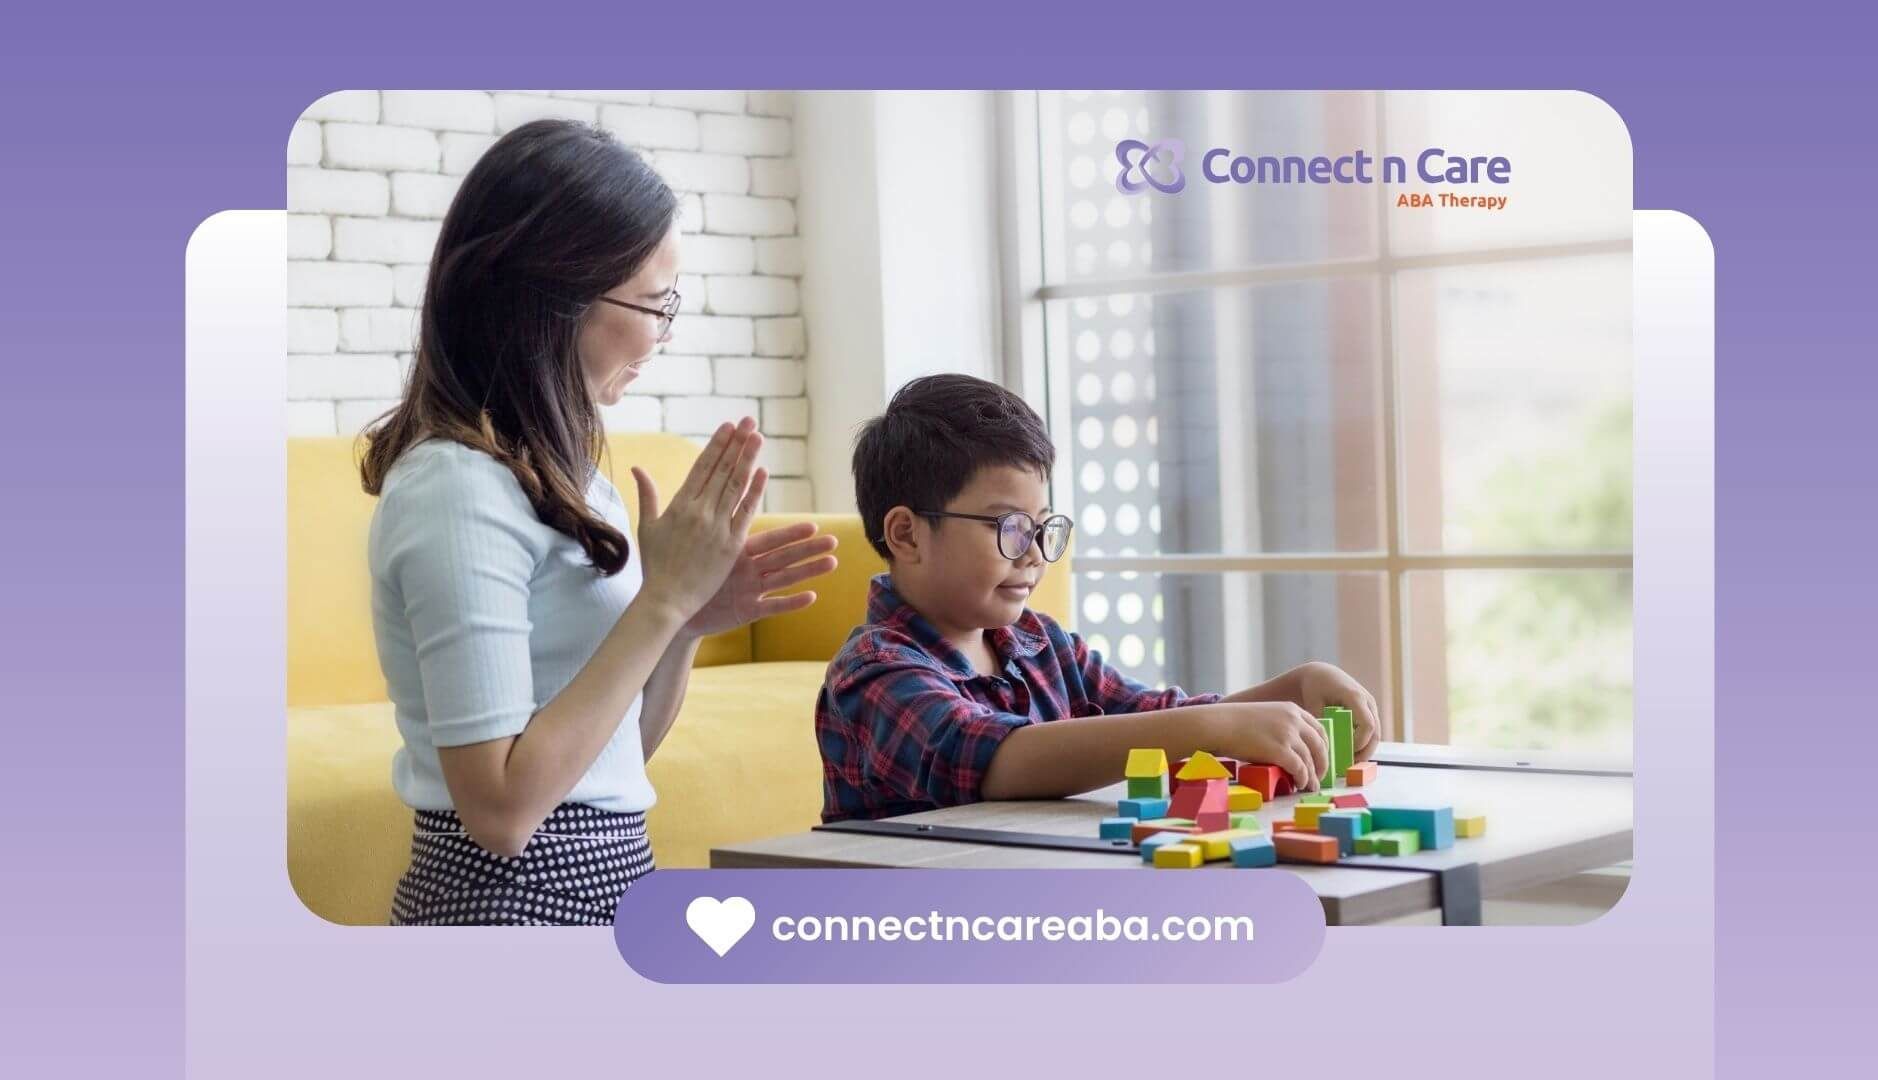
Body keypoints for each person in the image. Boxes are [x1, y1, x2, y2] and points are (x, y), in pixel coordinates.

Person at [358, 119, 837, 924]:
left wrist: (683, 624)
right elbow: (503, 814)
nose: (663, 333)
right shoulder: (455, 490)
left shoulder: (569, 480)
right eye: (655, 304)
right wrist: (660, 603)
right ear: (554, 297)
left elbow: (615, 756)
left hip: (612, 888)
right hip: (502, 910)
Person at [815, 374, 1377, 822]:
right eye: (1006, 526)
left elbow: (1154, 719)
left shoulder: (1042, 645)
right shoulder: (874, 674)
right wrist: (1215, 728)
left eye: (1041, 526)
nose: (1034, 551)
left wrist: (1295, 689)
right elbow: (992, 758)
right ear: (907, 534)